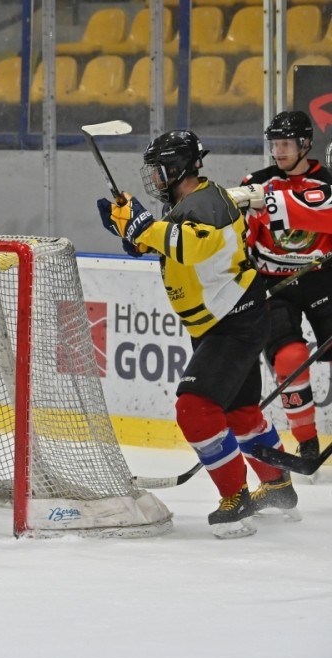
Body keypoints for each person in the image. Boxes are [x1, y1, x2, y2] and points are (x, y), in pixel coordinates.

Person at [97, 129, 297, 538]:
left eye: (159, 170)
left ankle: (236, 498)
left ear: (178, 168)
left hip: (234, 322)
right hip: (220, 321)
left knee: (195, 408)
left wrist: (143, 227)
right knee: (240, 414)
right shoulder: (183, 204)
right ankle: (277, 487)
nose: (154, 178)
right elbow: (165, 244)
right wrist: (131, 232)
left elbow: (190, 246)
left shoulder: (210, 202)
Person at [241, 111, 332, 473]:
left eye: (286, 144)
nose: (278, 151)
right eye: (275, 144)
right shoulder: (256, 184)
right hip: (274, 284)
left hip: (321, 279)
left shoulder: (327, 183)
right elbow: (243, 239)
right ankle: (307, 443)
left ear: (305, 145)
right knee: (290, 357)